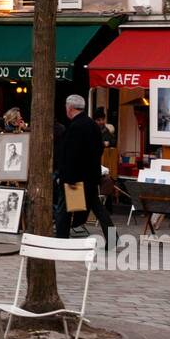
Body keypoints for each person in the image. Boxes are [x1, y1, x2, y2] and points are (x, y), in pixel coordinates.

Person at [58, 94, 115, 242]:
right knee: (98, 208)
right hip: (90, 176)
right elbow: (99, 149)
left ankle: (61, 239)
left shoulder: (75, 127)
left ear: (70, 108)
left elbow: (71, 155)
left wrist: (66, 177)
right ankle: (113, 238)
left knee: (64, 210)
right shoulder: (93, 125)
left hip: (76, 178)